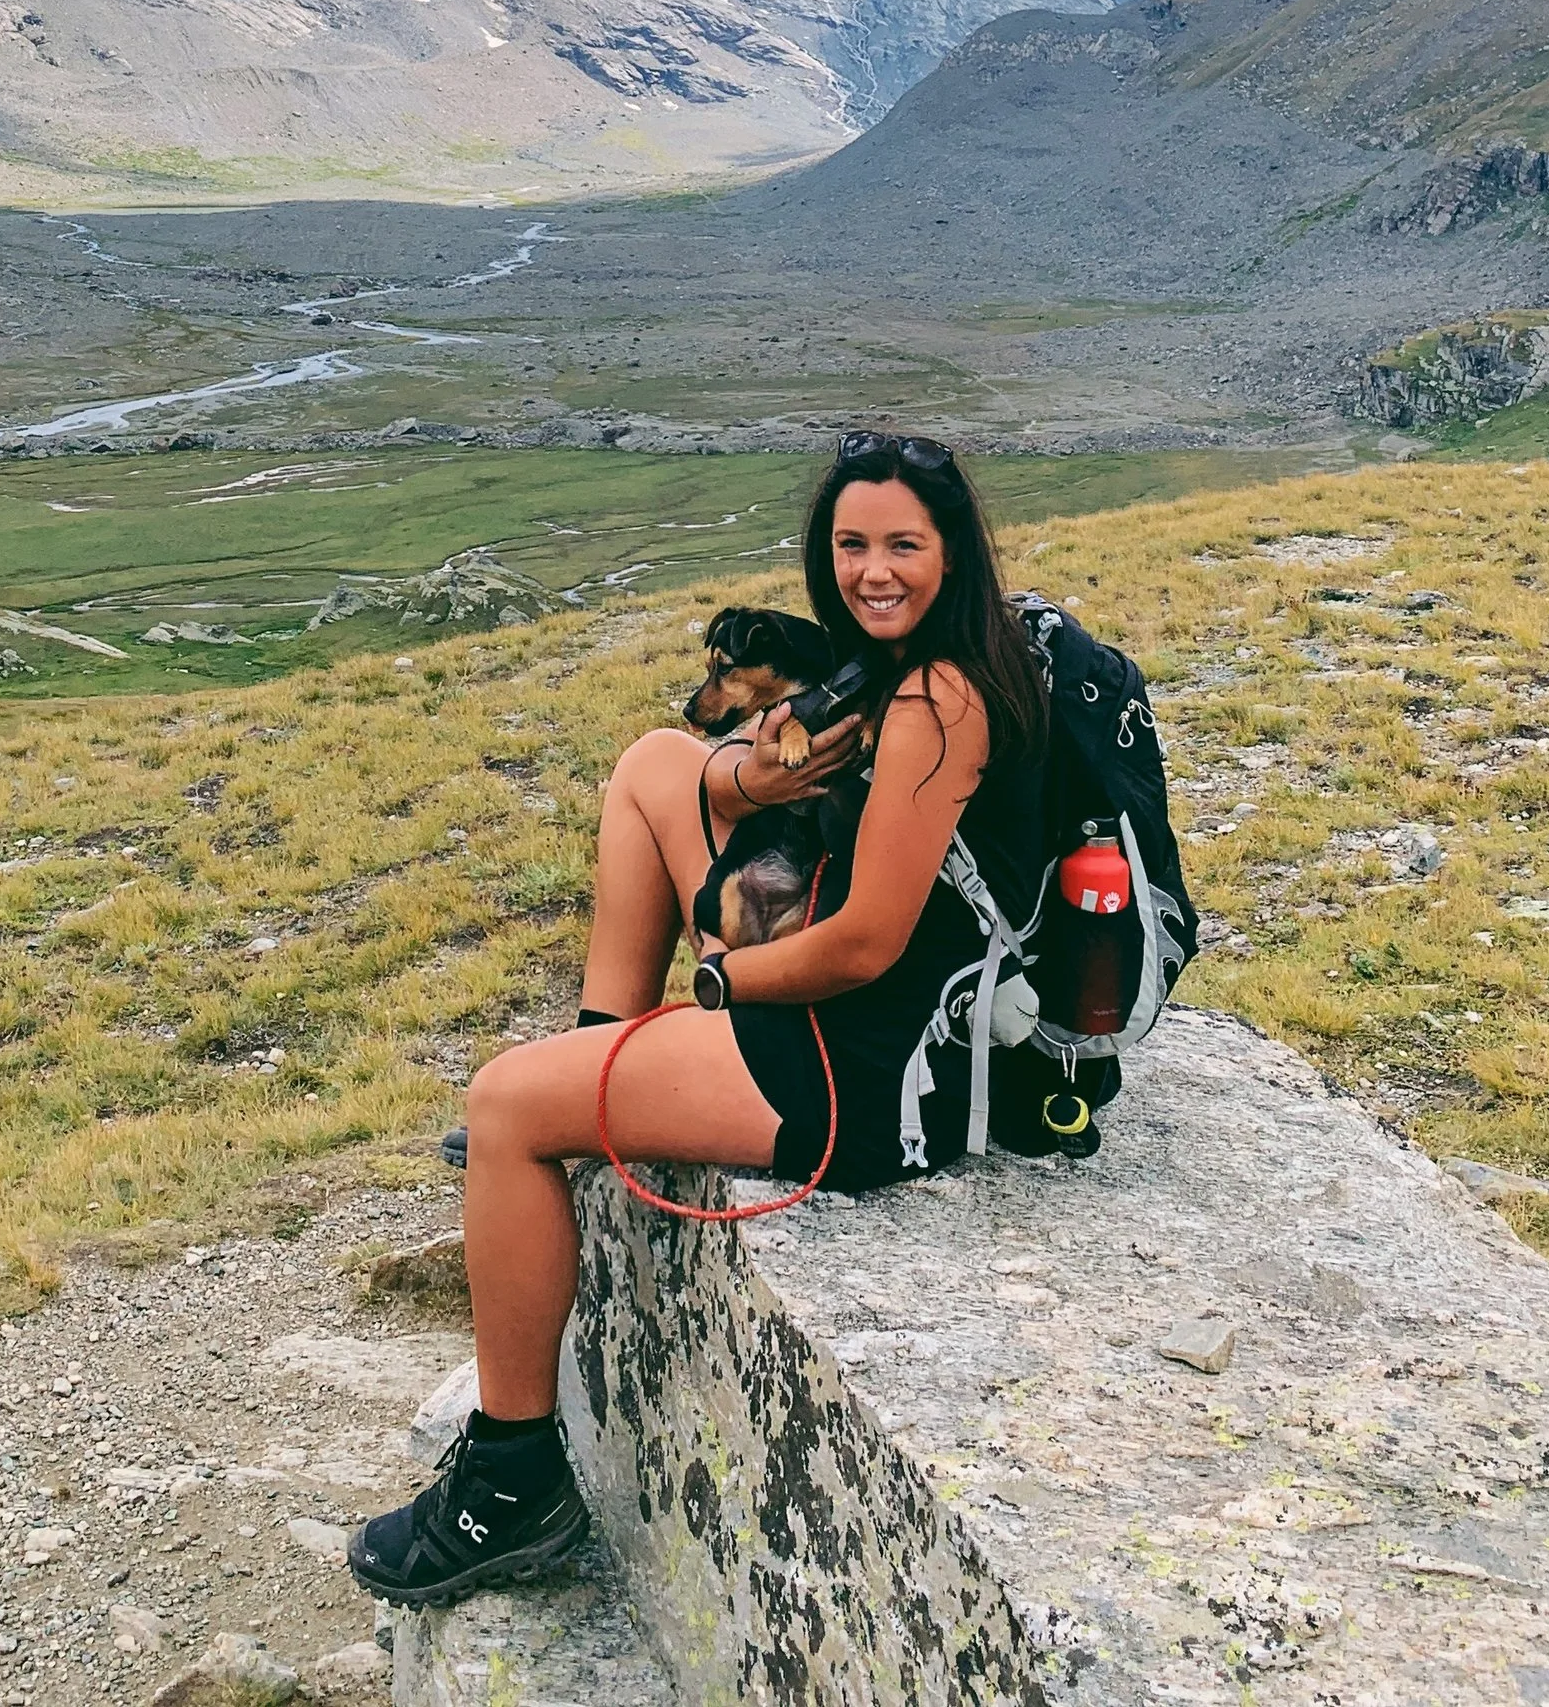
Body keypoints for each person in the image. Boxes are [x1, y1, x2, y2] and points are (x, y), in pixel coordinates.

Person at [346, 427, 1049, 1610]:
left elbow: (868, 944)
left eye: (902, 546)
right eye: (850, 545)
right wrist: (747, 782)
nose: (872, 570)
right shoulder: (899, 666)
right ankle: (600, 1042)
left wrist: (721, 984)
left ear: (953, 551)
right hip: (837, 1004)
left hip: (857, 1072)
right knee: (658, 761)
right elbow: (733, 782)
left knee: (508, 1105)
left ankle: (514, 1478)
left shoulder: (935, 697)